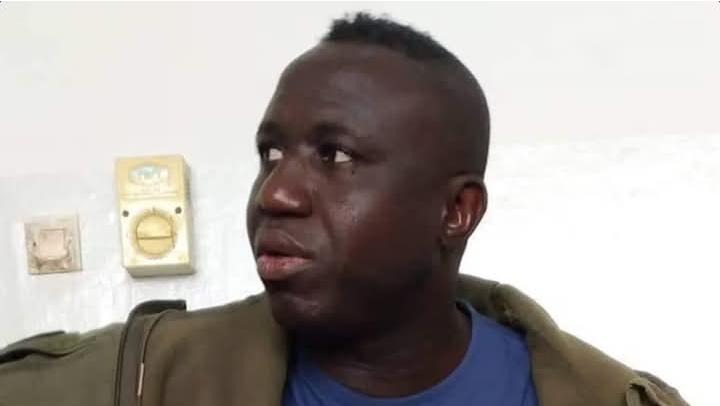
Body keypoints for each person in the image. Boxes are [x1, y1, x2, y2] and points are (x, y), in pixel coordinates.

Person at [0, 13, 689, 406]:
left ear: (456, 212)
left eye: (335, 156)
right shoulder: (133, 382)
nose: (275, 193)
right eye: (271, 154)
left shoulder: (607, 399)